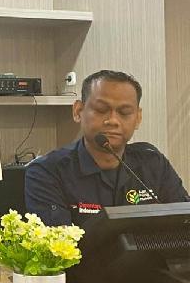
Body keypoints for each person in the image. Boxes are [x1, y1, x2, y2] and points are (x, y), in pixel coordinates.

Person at [25, 69, 189, 228]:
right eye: (101, 110)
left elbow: (184, 224)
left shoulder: (153, 163)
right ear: (78, 111)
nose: (113, 121)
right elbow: (59, 243)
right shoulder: (47, 171)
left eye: (124, 112)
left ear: (138, 118)